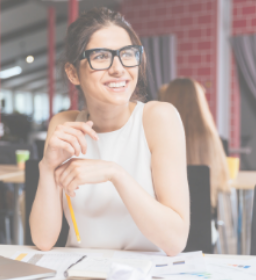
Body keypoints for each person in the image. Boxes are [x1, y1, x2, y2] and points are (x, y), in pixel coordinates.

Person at [30, 8, 189, 256]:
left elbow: (175, 241)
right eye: (101, 56)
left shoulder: (158, 118)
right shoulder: (64, 125)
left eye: (127, 54)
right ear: (73, 73)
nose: (118, 69)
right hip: (80, 270)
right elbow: (43, 240)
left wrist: (114, 173)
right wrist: (47, 167)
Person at [159, 78, 230, 213]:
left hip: (166, 223)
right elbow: (222, 183)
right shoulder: (210, 137)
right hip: (205, 226)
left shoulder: (158, 136)